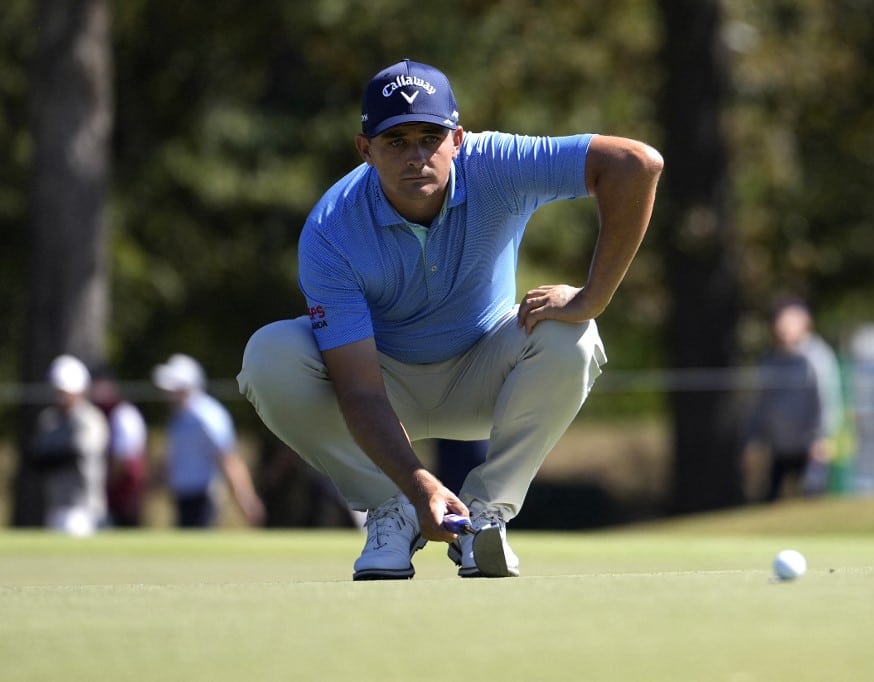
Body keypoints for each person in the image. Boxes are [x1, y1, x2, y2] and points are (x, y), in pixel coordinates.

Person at [238, 59, 662, 580]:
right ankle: (390, 510)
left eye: (430, 138)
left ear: (458, 139)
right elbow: (361, 391)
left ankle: (484, 521)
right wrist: (417, 486)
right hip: (383, 388)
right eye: (395, 142)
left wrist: (592, 298)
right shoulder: (332, 228)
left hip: (486, 375)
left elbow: (637, 164)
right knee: (269, 354)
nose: (416, 157)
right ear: (364, 149)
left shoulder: (499, 163)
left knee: (572, 334)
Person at [743, 298, 843, 501]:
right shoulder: (771, 360)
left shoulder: (817, 357)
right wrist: (753, 438)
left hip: (811, 447)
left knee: (812, 497)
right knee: (769, 501)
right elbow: (762, 403)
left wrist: (823, 436)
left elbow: (828, 399)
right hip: (780, 447)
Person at [153, 354, 265, 528]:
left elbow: (227, 459)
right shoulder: (178, 417)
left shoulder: (208, 416)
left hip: (203, 496)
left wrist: (245, 499)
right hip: (182, 495)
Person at [30, 355, 109, 535]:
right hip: (55, 502)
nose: (61, 396)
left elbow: (76, 453)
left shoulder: (89, 419)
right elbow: (37, 457)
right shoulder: (49, 419)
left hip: (82, 506)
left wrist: (52, 457)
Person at [91, 368, 148, 527]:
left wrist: (106, 483)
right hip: (111, 492)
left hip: (125, 492)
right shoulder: (99, 412)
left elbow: (123, 458)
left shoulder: (123, 413)